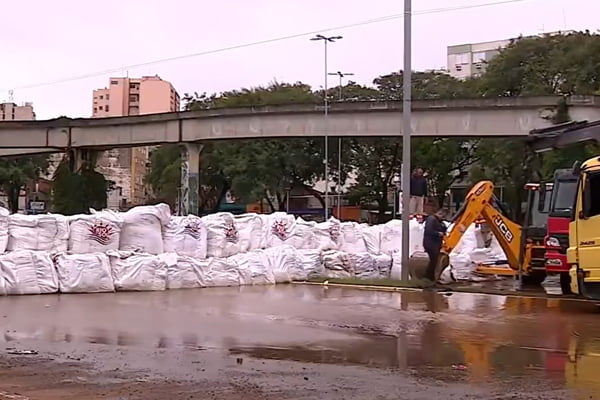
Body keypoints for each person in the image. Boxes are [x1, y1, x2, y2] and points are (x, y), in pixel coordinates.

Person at [423, 208, 448, 282]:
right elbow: (429, 230)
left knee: (434, 261)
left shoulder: (439, 221)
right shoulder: (431, 219)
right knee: (432, 261)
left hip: (435, 244)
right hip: (431, 243)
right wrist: (438, 233)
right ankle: (429, 277)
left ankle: (431, 277)